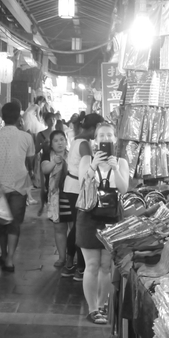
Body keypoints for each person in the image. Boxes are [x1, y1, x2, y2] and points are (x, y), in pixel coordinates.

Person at [75, 121, 130, 324]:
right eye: (101, 136)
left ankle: (103, 305)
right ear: (95, 140)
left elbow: (124, 189)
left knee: (106, 266)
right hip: (89, 216)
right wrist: (93, 166)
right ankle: (92, 309)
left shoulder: (122, 162)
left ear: (115, 139)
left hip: (112, 218)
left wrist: (115, 169)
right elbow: (82, 184)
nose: (105, 139)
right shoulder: (87, 159)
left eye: (109, 135)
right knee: (91, 264)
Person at [0, 101, 34, 273]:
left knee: (2, 222)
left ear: (2, 118)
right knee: (14, 224)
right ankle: (10, 259)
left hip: (0, 188)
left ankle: (3, 254)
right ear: (19, 117)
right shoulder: (27, 137)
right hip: (19, 186)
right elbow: (30, 160)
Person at [61, 113, 102, 281]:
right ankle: (79, 267)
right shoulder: (84, 144)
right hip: (78, 188)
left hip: (72, 186)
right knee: (80, 227)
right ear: (92, 128)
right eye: (98, 129)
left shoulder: (78, 140)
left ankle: (70, 262)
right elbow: (90, 169)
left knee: (77, 226)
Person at [41, 130, 69, 267]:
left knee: (74, 228)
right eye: (56, 140)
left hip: (72, 196)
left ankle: (72, 257)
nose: (60, 142)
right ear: (51, 144)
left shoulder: (72, 155)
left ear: (66, 141)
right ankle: (62, 257)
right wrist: (54, 162)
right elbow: (45, 169)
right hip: (56, 197)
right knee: (59, 228)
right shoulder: (48, 156)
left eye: (62, 139)